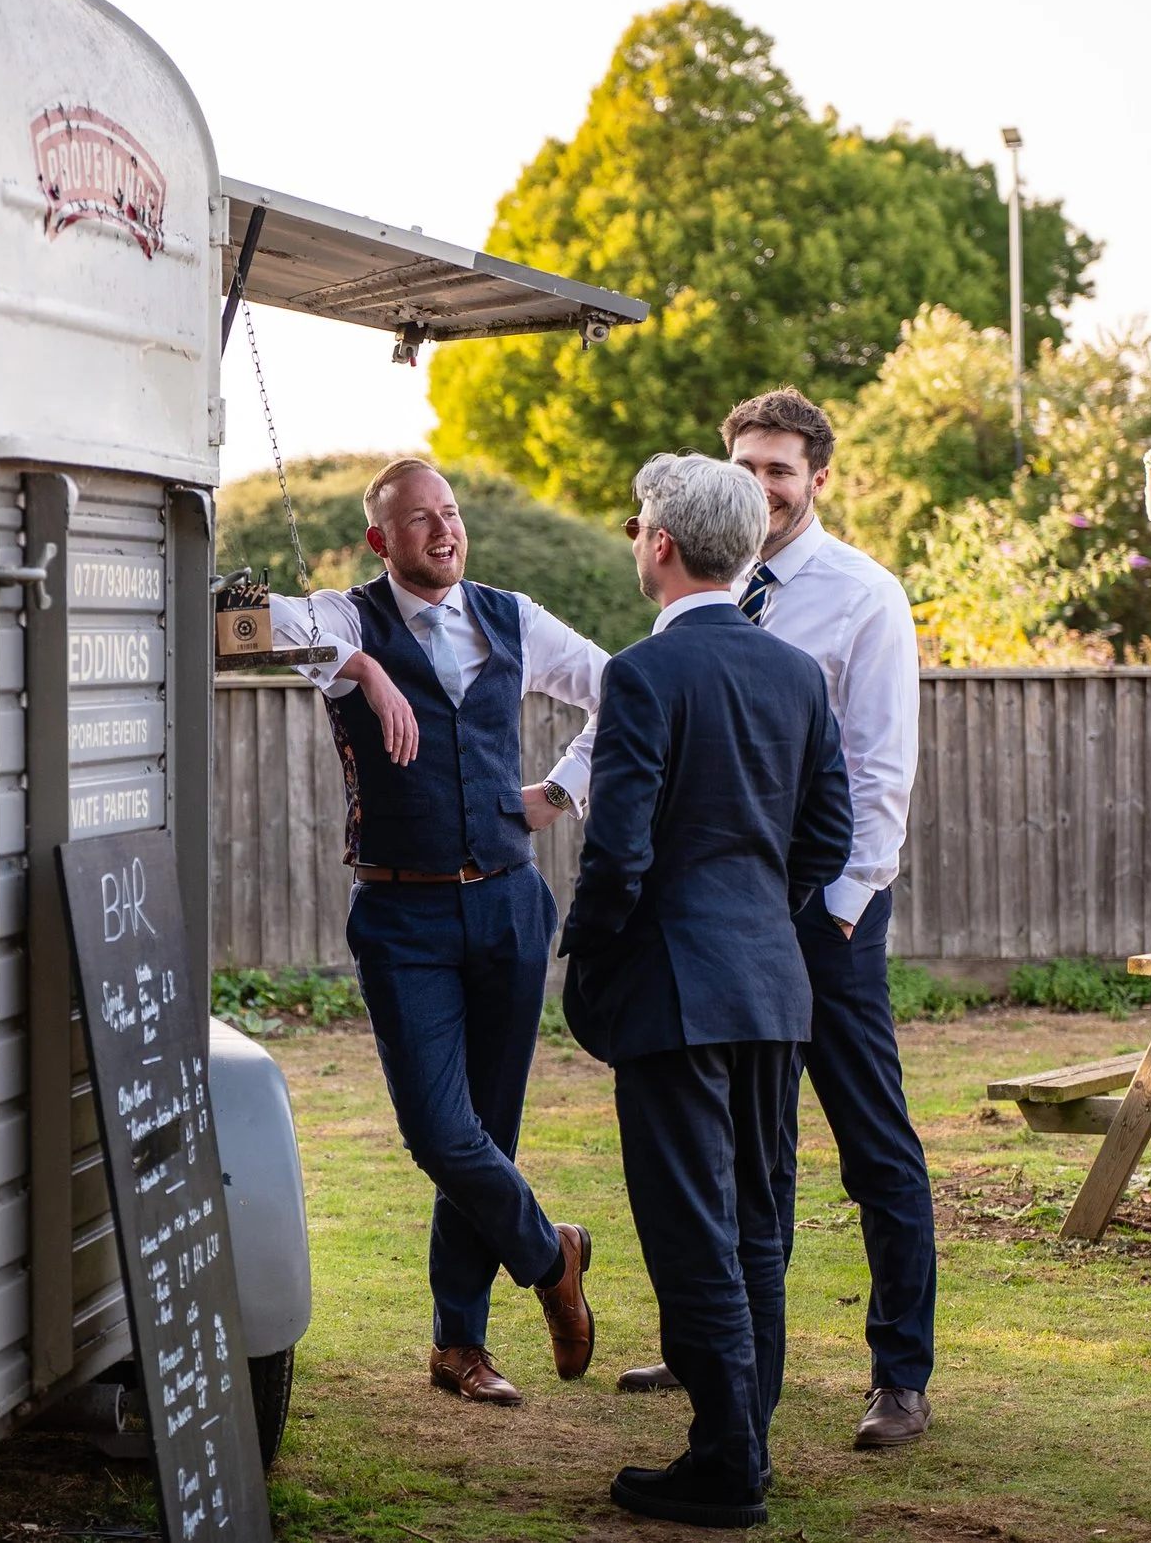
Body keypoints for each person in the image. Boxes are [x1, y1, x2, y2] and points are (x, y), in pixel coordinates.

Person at [616, 387, 936, 1447]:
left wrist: (837, 907)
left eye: (779, 469)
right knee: (736, 1149)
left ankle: (899, 1373)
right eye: (745, 466)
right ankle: (720, 1343)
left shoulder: (862, 596)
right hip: (731, 923)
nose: (761, 485)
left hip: (829, 916)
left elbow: (881, 772)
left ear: (818, 478)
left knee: (870, 1143)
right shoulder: (704, 582)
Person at [266, 456, 605, 1408]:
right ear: (382, 540)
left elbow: (625, 693)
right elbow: (240, 625)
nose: (443, 531)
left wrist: (562, 792)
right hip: (402, 912)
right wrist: (363, 668)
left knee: (487, 1132)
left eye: (450, 514)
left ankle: (459, 1345)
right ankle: (553, 1255)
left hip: (507, 901)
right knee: (439, 1132)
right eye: (419, 521)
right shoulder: (344, 616)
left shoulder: (512, 616)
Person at [560, 453, 852, 1528]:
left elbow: (620, 851)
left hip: (676, 991)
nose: (636, 539)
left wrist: (585, 949)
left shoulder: (640, 674)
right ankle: (745, 1445)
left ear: (664, 544)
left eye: (640, 526)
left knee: (693, 1230)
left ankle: (727, 1465)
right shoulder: (795, 675)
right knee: (759, 1226)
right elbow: (829, 832)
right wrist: (758, 919)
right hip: (772, 986)